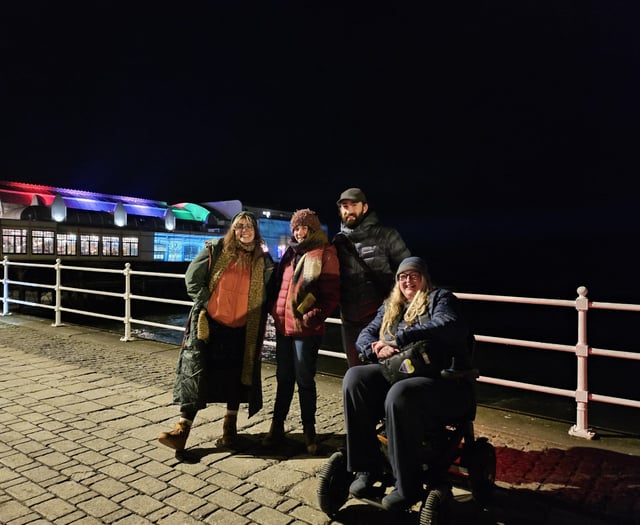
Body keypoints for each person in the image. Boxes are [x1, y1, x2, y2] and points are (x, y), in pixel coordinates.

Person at [342, 256, 475, 511]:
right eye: (402, 277)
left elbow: (448, 325)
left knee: (399, 394)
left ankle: (407, 486)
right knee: (354, 378)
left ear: (424, 279)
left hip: (439, 380)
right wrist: (374, 350)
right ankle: (366, 468)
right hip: (397, 372)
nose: (407, 280)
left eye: (413, 275)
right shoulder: (391, 307)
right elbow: (366, 335)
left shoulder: (440, 299)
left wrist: (399, 339)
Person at [158, 211, 275, 452]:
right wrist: (209, 303)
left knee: (235, 380)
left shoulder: (263, 261)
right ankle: (182, 430)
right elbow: (192, 279)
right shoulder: (217, 250)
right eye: (239, 226)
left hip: (242, 330)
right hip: (211, 327)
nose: (244, 230)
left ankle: (229, 431)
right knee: (197, 375)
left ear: (256, 231)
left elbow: (275, 288)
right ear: (233, 229)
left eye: (249, 226)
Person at [262, 209, 340, 454]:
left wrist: (311, 317)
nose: (298, 231)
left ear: (313, 229)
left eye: (303, 227)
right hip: (284, 327)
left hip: (306, 330)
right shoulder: (290, 253)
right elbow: (278, 286)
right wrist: (274, 311)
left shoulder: (325, 253)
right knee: (283, 379)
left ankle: (309, 429)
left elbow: (331, 293)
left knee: (305, 380)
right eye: (295, 228)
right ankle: (277, 426)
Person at [333, 187, 411, 367]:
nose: (349, 210)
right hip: (350, 320)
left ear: (365, 208)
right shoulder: (338, 241)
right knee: (354, 371)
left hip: (382, 320)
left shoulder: (386, 235)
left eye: (354, 205)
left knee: (384, 370)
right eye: (344, 206)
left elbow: (409, 272)